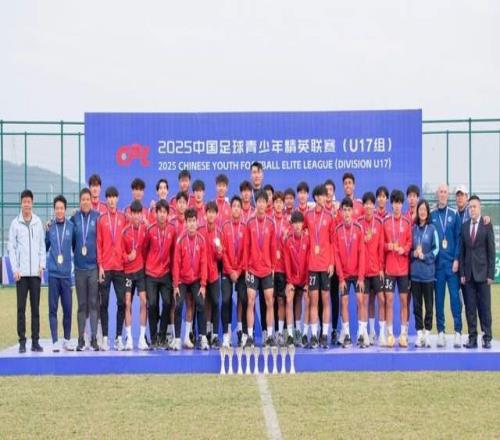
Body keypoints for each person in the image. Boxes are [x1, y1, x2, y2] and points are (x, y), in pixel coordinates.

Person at [8, 189, 46, 353]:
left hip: (35, 274)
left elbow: (42, 246)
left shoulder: (37, 222)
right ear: (21, 203)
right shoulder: (15, 223)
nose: (27, 204)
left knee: (35, 309)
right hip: (21, 275)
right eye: (24, 202)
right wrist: (15, 269)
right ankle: (22, 341)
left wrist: (41, 265)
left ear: (32, 203)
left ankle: (35, 341)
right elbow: (11, 248)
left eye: (29, 202)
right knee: (21, 309)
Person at [460, 195, 496, 349]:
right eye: (470, 207)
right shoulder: (464, 226)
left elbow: (491, 251)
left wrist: (490, 274)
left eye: (474, 206)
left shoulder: (487, 225)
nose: (472, 209)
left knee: (485, 308)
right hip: (468, 276)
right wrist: (462, 273)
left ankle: (487, 337)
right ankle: (472, 338)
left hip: (483, 275)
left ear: (480, 208)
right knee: (470, 309)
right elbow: (462, 252)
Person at [243, 190, 277, 348]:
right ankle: (250, 337)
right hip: (252, 269)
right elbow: (246, 246)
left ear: (267, 203)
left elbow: (273, 246)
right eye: (259, 201)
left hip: (267, 269)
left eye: (264, 201)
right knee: (250, 301)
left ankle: (269, 336)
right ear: (255, 203)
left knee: (269, 301)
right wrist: (246, 268)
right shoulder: (250, 222)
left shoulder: (271, 223)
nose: (262, 204)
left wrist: (273, 267)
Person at [431, 183, 462, 348]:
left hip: (452, 266)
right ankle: (441, 332)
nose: (442, 194)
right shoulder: (432, 215)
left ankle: (457, 332)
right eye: (440, 192)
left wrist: (456, 259)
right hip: (437, 267)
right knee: (439, 300)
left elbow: (458, 238)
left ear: (448, 195)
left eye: (445, 192)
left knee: (455, 299)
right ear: (437, 194)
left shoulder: (454, 214)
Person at [173, 208, 208, 350]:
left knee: (200, 303)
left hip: (195, 280)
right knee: (179, 304)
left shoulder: (201, 240)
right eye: (189, 221)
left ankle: (202, 338)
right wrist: (176, 285)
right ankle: (177, 339)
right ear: (186, 223)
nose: (192, 224)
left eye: (194, 221)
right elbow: (176, 264)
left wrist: (203, 285)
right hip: (182, 280)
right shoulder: (180, 240)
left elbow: (204, 263)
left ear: (197, 222)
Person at [304, 184, 335, 349]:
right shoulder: (308, 215)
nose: (324, 198)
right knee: (313, 301)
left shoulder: (329, 216)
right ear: (316, 197)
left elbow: (333, 242)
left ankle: (324, 335)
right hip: (312, 265)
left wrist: (332, 263)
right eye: (321, 196)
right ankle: (314, 335)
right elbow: (300, 231)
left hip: (325, 265)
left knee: (326, 300)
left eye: (326, 196)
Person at [96, 186, 127, 351]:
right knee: (104, 303)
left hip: (120, 268)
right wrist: (100, 265)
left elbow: (128, 240)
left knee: (122, 302)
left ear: (118, 198)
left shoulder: (123, 217)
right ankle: (105, 338)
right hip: (106, 268)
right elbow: (98, 244)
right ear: (106, 199)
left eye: (114, 197)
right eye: (109, 197)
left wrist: (126, 258)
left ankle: (118, 338)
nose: (111, 200)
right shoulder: (101, 219)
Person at [144, 199, 176, 349]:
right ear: (156, 213)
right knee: (152, 304)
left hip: (165, 273)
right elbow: (144, 250)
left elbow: (173, 253)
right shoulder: (150, 230)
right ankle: (154, 337)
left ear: (168, 214)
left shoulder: (172, 230)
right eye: (160, 212)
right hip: (151, 273)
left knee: (168, 303)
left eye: (164, 212)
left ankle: (163, 336)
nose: (162, 215)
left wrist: (173, 274)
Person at [334, 197, 365, 348]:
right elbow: (336, 255)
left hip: (357, 274)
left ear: (353, 211)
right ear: (340, 212)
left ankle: (361, 334)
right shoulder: (337, 230)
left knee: (360, 300)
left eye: (349, 210)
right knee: (344, 302)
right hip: (344, 275)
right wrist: (341, 278)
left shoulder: (359, 228)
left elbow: (362, 253)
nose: (346, 213)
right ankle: (346, 334)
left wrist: (361, 277)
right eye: (344, 210)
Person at [382, 189, 412, 348]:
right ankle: (389, 335)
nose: (397, 206)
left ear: (402, 204)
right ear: (391, 204)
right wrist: (389, 246)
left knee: (404, 301)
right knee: (389, 300)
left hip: (403, 270)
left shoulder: (407, 222)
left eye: (400, 203)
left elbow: (410, 242)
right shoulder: (386, 221)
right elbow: (381, 244)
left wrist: (404, 249)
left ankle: (403, 335)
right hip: (389, 269)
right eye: (395, 203)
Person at [71, 188, 100, 351]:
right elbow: (71, 241)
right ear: (80, 201)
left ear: (91, 200)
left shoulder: (97, 217)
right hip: (79, 269)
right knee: (82, 305)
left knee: (93, 303)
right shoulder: (74, 218)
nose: (85, 202)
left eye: (88, 199)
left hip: (93, 268)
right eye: (83, 199)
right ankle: (81, 339)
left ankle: (94, 338)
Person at [45, 195, 75, 352]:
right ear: (54, 210)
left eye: (62, 208)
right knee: (53, 309)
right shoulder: (50, 227)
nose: (59, 211)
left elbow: (75, 247)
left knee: (68, 309)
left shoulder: (71, 227)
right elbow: (45, 246)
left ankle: (67, 340)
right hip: (53, 275)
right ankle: (55, 340)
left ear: (65, 209)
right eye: (57, 208)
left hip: (66, 276)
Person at [411, 199, 439, 348]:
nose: (422, 212)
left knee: (429, 306)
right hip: (415, 275)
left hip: (428, 275)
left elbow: (437, 249)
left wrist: (425, 256)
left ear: (427, 212)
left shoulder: (432, 229)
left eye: (424, 209)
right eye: (420, 209)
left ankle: (427, 334)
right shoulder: (413, 229)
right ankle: (419, 334)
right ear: (417, 212)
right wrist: (414, 254)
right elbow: (408, 250)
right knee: (417, 307)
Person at [220, 196, 247, 348]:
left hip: (241, 271)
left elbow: (246, 252)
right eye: (234, 206)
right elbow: (222, 252)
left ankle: (242, 333)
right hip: (227, 271)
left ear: (241, 210)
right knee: (225, 300)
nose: (236, 208)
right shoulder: (224, 227)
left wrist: (239, 270)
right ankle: (227, 334)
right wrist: (230, 271)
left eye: (238, 206)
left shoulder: (245, 227)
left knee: (244, 299)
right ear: (230, 209)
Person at [121, 200, 148, 350]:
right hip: (128, 273)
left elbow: (148, 248)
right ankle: (129, 338)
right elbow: (121, 254)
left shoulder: (145, 230)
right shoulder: (125, 232)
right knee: (127, 303)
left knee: (144, 302)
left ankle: (142, 338)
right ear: (130, 214)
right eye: (134, 213)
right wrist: (128, 257)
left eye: (139, 213)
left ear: (142, 214)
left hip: (141, 272)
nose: (137, 216)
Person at [359, 192, 385, 345]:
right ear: (363, 206)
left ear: (373, 206)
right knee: (365, 302)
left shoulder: (379, 223)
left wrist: (381, 268)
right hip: (363, 271)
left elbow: (381, 247)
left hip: (376, 270)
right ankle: (368, 332)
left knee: (381, 299)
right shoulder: (358, 223)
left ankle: (381, 333)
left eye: (371, 203)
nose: (368, 206)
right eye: (366, 203)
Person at [283, 211, 310, 347]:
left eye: (300, 222)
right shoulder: (288, 241)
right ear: (292, 225)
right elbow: (287, 262)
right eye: (295, 223)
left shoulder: (308, 240)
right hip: (293, 279)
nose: (297, 225)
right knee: (289, 300)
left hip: (304, 279)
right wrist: (289, 282)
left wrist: (307, 282)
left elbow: (309, 261)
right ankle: (290, 335)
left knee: (306, 299)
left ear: (303, 224)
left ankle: (302, 333)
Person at [198, 201, 222, 347]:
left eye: (213, 212)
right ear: (205, 215)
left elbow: (220, 257)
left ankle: (214, 335)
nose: (211, 215)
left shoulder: (219, 232)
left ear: (216, 215)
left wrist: (219, 251)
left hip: (213, 274)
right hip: (201, 274)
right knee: (203, 304)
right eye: (209, 212)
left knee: (215, 303)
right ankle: (205, 333)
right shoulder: (200, 230)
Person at [272, 191, 290, 346]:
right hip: (271, 268)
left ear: (283, 205)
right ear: (273, 204)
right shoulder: (269, 221)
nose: (278, 205)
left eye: (280, 202)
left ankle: (282, 332)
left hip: (284, 268)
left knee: (282, 300)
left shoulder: (288, 223)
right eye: (276, 202)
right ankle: (273, 332)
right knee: (271, 301)